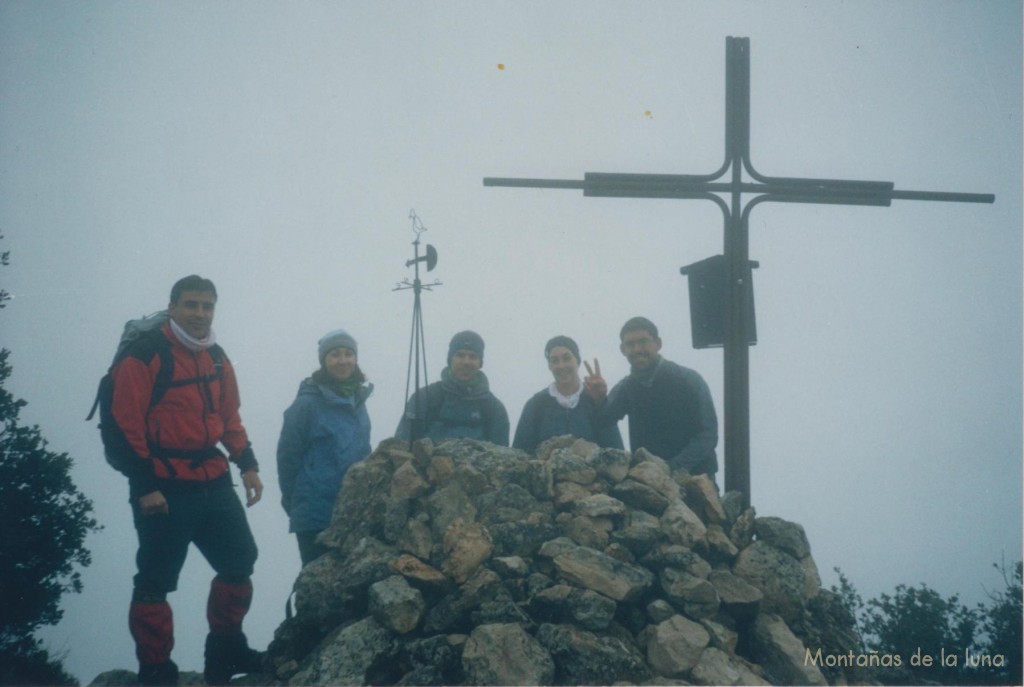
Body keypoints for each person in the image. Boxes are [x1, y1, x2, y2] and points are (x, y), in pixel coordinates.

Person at [109, 275, 263, 686]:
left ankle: (225, 651)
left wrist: (247, 463)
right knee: (156, 581)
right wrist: (144, 487)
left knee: (239, 561)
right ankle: (156, 669)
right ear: (172, 306)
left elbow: (229, 417)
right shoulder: (145, 354)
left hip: (212, 479)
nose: (199, 314)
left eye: (207, 306)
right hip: (162, 486)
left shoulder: (215, 356)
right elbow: (126, 427)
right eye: (191, 305)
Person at [276, 328, 373, 566]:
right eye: (335, 355)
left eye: (348, 354)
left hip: (354, 512)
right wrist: (295, 504)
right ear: (324, 361)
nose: (343, 361)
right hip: (316, 515)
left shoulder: (358, 401)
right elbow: (287, 458)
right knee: (318, 587)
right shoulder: (307, 404)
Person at [595, 316, 719, 480]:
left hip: (695, 480)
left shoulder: (688, 380)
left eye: (643, 341)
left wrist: (673, 467)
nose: (638, 349)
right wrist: (598, 397)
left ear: (658, 343)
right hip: (650, 483)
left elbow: (708, 434)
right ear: (622, 349)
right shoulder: (626, 387)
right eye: (630, 344)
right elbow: (604, 420)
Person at [395, 330, 509, 446]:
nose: (466, 362)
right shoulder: (424, 398)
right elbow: (401, 445)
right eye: (460, 355)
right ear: (450, 360)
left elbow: (503, 455)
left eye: (473, 357)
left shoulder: (494, 408)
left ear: (480, 363)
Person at [512, 335, 623, 453]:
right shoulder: (536, 405)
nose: (561, 366)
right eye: (554, 361)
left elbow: (617, 452)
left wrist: (601, 404)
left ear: (578, 361)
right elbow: (519, 454)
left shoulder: (595, 400)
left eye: (567, 358)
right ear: (549, 366)